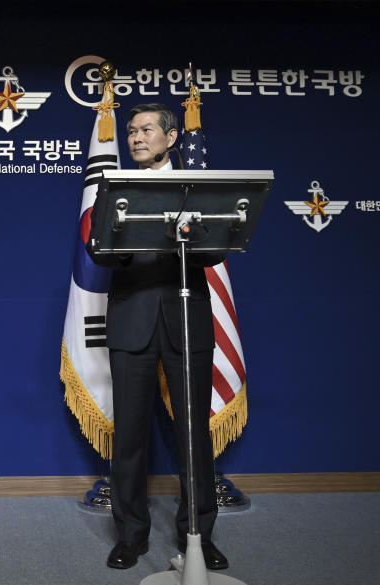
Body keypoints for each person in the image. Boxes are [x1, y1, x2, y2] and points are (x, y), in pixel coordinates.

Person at [88, 103, 228, 571]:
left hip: (186, 319)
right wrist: (124, 240)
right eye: (130, 131)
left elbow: (214, 250)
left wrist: (190, 233)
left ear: (171, 137)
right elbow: (98, 251)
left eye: (146, 129)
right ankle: (131, 534)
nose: (135, 137)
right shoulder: (116, 187)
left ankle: (198, 536)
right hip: (131, 322)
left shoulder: (198, 185)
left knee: (194, 436)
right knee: (129, 435)